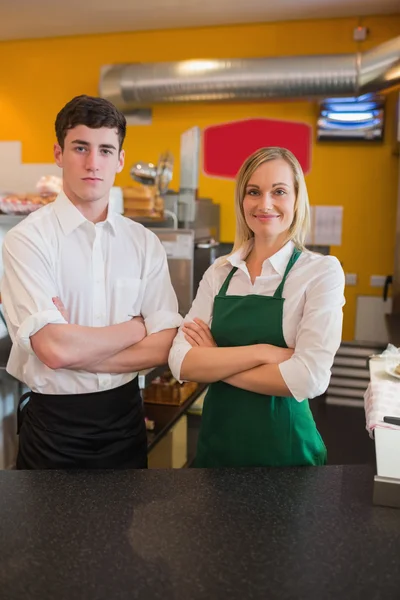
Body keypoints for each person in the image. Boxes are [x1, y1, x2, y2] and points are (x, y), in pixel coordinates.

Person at [1, 94, 182, 470]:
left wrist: (76, 348)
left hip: (126, 421)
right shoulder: (26, 240)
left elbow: (164, 345)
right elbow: (54, 350)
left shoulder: (144, 243)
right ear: (58, 153)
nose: (92, 163)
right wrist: (137, 326)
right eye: (80, 147)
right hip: (54, 427)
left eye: (104, 150)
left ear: (120, 159)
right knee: (45, 530)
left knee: (123, 529)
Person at [168, 147, 345, 468]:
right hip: (218, 448)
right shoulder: (219, 272)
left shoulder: (321, 271)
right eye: (254, 192)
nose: (265, 204)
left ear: (295, 199)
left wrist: (215, 365)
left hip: (287, 455)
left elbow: (309, 379)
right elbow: (180, 362)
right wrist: (264, 352)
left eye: (278, 191)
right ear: (242, 200)